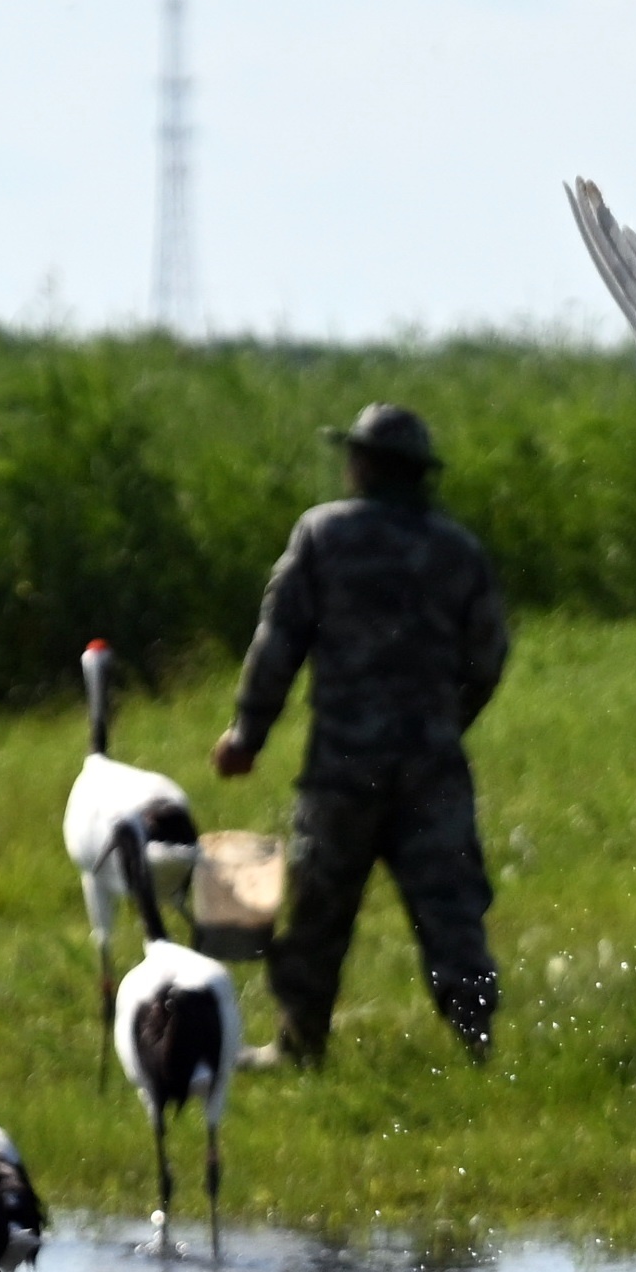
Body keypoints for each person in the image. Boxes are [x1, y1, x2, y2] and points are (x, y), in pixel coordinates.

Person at [211, 405, 510, 1065]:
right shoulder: (458, 551)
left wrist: (248, 733)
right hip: (432, 768)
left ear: (366, 464)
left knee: (318, 910)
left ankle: (299, 1045)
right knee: (451, 910)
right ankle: (478, 1044)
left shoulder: (323, 535)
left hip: (343, 767)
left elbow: (279, 641)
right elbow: (488, 657)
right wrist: (442, 722)